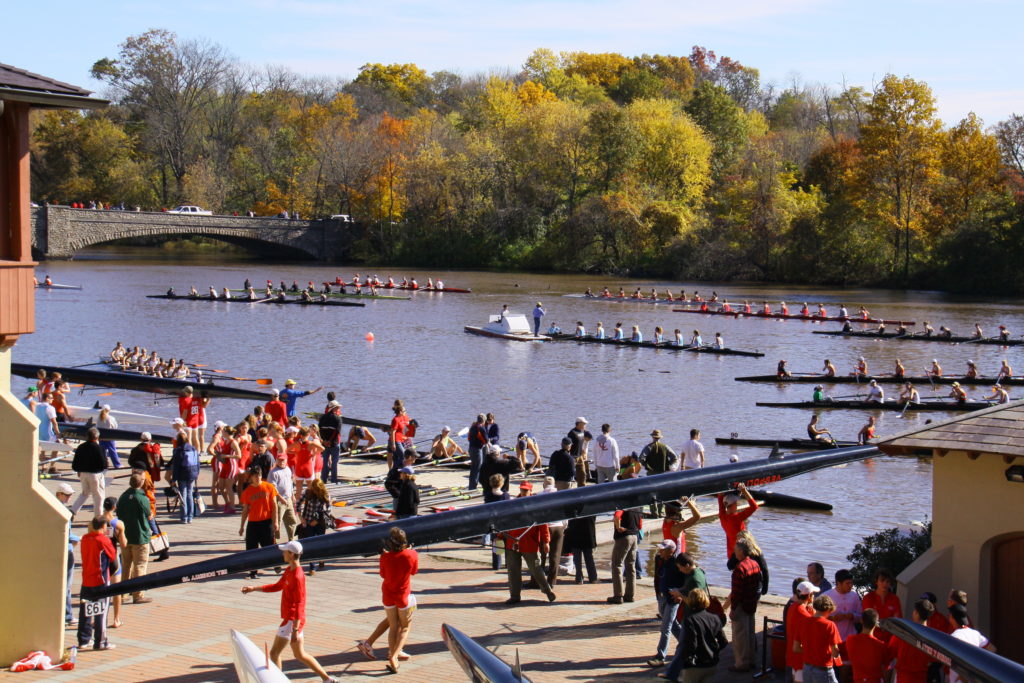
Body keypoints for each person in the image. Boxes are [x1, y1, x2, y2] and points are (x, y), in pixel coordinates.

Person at [241, 540, 338, 682]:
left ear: (291, 554)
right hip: (293, 620)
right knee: (300, 654)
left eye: (285, 551)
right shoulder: (289, 570)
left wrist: (295, 629)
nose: (282, 553)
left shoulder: (298, 576)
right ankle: (327, 679)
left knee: (274, 653)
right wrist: (254, 588)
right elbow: (277, 586)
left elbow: (299, 603)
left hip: (292, 621)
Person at [357, 528, 419, 673]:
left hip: (388, 594)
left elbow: (383, 574)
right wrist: (409, 552)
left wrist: (388, 556)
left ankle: (392, 652)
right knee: (405, 626)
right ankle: (394, 656)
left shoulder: (385, 557)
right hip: (402, 595)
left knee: (393, 625)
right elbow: (414, 571)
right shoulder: (411, 554)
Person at [502, 482, 555, 605]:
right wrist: (500, 535)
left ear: (530, 491)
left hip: (529, 544)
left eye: (526, 490)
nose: (524, 492)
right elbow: (505, 522)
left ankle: (547, 591)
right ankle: (514, 596)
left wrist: (546, 541)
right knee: (513, 571)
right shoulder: (512, 504)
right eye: (522, 490)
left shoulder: (536, 505)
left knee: (536, 569)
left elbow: (543, 525)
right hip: (512, 543)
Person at [663, 588, 728, 683]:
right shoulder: (714, 618)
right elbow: (724, 642)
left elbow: (690, 645)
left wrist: (681, 663)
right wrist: (714, 651)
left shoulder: (689, 620)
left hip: (694, 666)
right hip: (711, 664)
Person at [77, 517, 118, 651]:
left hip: (86, 579)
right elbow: (113, 557)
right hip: (100, 581)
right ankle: (100, 641)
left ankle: (83, 640)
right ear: (104, 526)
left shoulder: (85, 538)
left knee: (85, 611)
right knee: (101, 611)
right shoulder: (103, 540)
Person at [724, 537, 763, 672]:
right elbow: (758, 583)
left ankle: (741, 663)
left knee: (740, 636)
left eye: (736, 549)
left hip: (741, 604)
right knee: (750, 632)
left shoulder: (739, 569)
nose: (734, 551)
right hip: (751, 602)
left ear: (741, 551)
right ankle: (751, 660)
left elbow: (736, 592)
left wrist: (733, 609)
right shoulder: (754, 564)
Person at [116, 473, 153, 605]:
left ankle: (123, 593)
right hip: (140, 536)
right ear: (141, 483)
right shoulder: (142, 498)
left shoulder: (123, 496)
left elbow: (118, 513)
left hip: (125, 536)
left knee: (126, 565)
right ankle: (138, 594)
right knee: (140, 565)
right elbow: (149, 515)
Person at [239, 465, 279, 578]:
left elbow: (274, 506)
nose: (258, 478)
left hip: (266, 522)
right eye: (256, 476)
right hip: (253, 523)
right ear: (251, 477)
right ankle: (253, 571)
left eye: (260, 476)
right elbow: (245, 510)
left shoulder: (269, 487)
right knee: (251, 548)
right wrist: (242, 526)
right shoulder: (247, 491)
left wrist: (275, 522)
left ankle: (277, 563)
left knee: (269, 546)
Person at [795, 595, 842, 683]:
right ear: (828, 610)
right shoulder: (829, 625)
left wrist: (811, 651)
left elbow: (796, 648)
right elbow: (835, 651)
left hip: (807, 668)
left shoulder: (803, 622)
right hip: (823, 669)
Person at [891, 599, 937, 682]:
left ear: (916, 613)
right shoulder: (932, 637)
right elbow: (932, 660)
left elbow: (892, 651)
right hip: (921, 677)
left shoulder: (903, 631)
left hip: (903, 676)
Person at [948, 603, 996, 683]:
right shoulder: (975, 633)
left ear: (952, 618)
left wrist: (964, 673)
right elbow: (992, 649)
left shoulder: (954, 636)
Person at [607, 504, 643, 604]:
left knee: (617, 565)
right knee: (631, 566)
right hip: (634, 536)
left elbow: (617, 516)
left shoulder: (622, 506)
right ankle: (630, 595)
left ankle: (618, 595)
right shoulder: (638, 508)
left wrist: (618, 527)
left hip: (623, 537)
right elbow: (640, 525)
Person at [784, 579, 818, 683]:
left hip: (793, 655)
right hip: (802, 659)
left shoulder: (793, 607)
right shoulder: (804, 614)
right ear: (809, 596)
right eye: (813, 594)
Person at [844, 608, 890, 683]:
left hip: (858, 680)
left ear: (861, 621)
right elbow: (886, 669)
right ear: (876, 624)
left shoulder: (850, 640)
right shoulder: (881, 646)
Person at [296, 479, 332, 573]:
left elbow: (328, 510)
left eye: (316, 489)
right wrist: (301, 518)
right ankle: (312, 566)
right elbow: (297, 504)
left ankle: (321, 558)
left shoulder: (325, 494)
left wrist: (317, 521)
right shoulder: (308, 492)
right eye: (313, 488)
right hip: (307, 521)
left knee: (320, 542)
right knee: (311, 543)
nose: (314, 491)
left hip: (320, 523)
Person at [71, 428, 107, 519]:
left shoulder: (81, 447)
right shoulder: (99, 448)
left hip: (83, 473)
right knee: (98, 496)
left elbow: (75, 463)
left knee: (84, 493)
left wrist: (79, 470)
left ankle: (73, 510)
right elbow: (104, 464)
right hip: (95, 474)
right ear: (97, 437)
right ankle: (98, 518)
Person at [861, 568, 901, 645]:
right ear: (876, 582)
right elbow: (868, 620)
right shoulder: (868, 598)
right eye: (882, 581)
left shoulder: (894, 599)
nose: (885, 584)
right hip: (871, 639)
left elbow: (898, 620)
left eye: (887, 581)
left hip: (889, 640)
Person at [167, 432, 200, 523]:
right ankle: (190, 516)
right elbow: (198, 462)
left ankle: (184, 517)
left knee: (183, 495)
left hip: (182, 474)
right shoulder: (193, 448)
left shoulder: (178, 450)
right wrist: (197, 473)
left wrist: (174, 479)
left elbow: (176, 466)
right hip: (193, 473)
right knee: (190, 493)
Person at [717, 483, 758, 557]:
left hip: (731, 555)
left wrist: (721, 491)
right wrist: (744, 491)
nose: (737, 504)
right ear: (733, 504)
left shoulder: (722, 516)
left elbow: (720, 500)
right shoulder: (737, 518)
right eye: (736, 503)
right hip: (741, 553)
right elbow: (754, 506)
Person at [642, 429, 677, 514]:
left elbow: (641, 459)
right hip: (663, 473)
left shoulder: (648, 447)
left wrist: (647, 466)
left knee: (652, 493)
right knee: (661, 492)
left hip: (651, 473)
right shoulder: (665, 447)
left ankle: (654, 512)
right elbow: (675, 457)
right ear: (660, 437)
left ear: (652, 437)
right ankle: (661, 512)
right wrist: (668, 466)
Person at [822, 568, 861, 640]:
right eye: (847, 583)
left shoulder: (854, 596)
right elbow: (818, 618)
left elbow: (860, 617)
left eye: (851, 583)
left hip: (850, 638)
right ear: (839, 583)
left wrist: (852, 616)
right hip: (831, 638)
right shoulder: (826, 596)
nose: (850, 585)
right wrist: (833, 618)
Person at [268, 453, 298, 541]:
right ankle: (274, 540)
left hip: (288, 499)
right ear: (276, 460)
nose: (281, 462)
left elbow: (290, 484)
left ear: (286, 460)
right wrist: (280, 498)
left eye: (283, 460)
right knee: (277, 521)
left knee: (292, 520)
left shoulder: (288, 469)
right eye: (279, 460)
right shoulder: (273, 472)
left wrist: (293, 495)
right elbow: (273, 488)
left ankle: (292, 539)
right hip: (279, 500)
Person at [564, 514, 598, 584]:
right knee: (589, 558)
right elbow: (593, 520)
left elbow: (569, 521)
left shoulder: (573, 509)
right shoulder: (590, 510)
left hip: (576, 534)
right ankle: (593, 578)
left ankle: (579, 578)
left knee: (577, 558)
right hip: (588, 534)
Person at [318, 400, 343, 484]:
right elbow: (337, 432)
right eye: (338, 407)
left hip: (324, 444)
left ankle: (323, 479)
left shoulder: (322, 417)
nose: (339, 408)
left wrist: (324, 441)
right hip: (334, 443)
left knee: (324, 462)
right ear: (335, 408)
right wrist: (330, 441)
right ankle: (333, 480)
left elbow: (319, 430)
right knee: (334, 463)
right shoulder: (338, 418)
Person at [566, 417, 592, 487]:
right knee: (570, 474)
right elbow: (568, 445)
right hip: (572, 456)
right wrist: (568, 456)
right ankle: (568, 488)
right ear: (579, 423)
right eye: (584, 424)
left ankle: (581, 488)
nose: (585, 425)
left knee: (582, 474)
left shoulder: (583, 431)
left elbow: (587, 439)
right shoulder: (572, 433)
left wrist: (583, 452)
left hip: (580, 456)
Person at [467, 413, 487, 490]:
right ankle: (473, 487)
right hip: (477, 450)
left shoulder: (472, 427)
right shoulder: (481, 428)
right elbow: (486, 440)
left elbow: (468, 438)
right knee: (477, 468)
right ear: (484, 421)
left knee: (473, 467)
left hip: (471, 448)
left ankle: (471, 485)